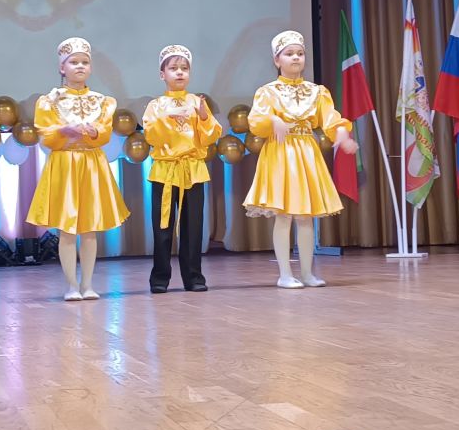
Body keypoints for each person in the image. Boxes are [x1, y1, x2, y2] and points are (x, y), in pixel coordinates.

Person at [242, 30, 357, 289]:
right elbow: (256, 120)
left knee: (305, 216)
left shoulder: (317, 92)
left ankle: (307, 273)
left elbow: (330, 118)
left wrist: (341, 134)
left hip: (306, 151)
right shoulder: (267, 92)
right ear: (277, 60)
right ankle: (285, 274)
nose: (296, 58)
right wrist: (273, 120)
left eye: (300, 53)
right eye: (289, 54)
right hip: (280, 152)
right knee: (284, 215)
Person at [26, 37, 129, 300]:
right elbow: (46, 135)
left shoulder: (103, 101)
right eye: (74, 62)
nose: (80, 66)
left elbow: (105, 132)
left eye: (84, 62)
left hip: (92, 164)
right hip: (64, 163)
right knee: (68, 228)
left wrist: (95, 132)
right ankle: (72, 285)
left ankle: (88, 284)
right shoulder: (49, 101)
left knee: (89, 228)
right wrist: (64, 130)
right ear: (62, 67)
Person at [142, 44, 223, 293]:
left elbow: (211, 136)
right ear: (162, 74)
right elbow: (151, 136)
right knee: (162, 227)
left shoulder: (197, 102)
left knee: (193, 227)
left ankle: (194, 277)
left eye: (184, 68)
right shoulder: (156, 106)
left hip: (192, 170)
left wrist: (204, 117)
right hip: (165, 170)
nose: (179, 72)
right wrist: (166, 119)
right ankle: (159, 278)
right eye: (173, 68)